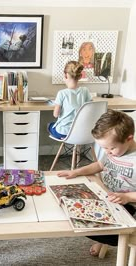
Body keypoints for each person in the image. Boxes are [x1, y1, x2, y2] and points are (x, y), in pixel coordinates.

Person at [56, 109, 136, 256]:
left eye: (111, 148)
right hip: (107, 197)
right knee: (70, 209)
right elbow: (99, 165)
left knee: (90, 227)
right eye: (103, 148)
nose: (107, 152)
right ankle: (104, 239)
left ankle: (107, 239)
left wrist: (128, 197)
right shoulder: (112, 150)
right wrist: (76, 171)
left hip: (130, 206)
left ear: (129, 139)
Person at [48, 61, 92, 139]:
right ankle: (77, 149)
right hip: (81, 132)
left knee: (50, 125)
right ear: (80, 76)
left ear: (66, 75)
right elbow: (90, 109)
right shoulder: (86, 91)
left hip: (64, 133)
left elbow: (55, 115)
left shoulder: (62, 93)